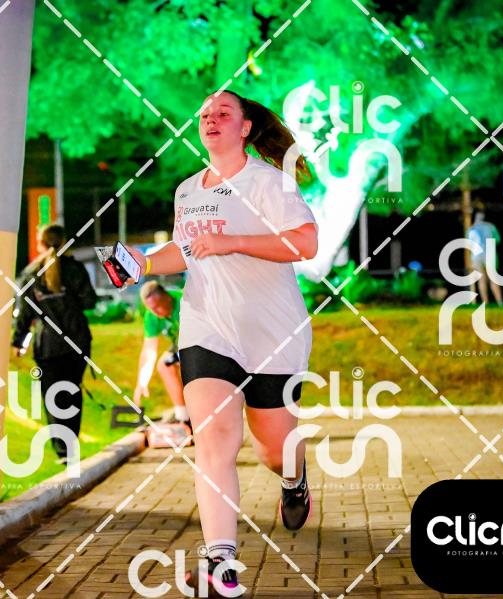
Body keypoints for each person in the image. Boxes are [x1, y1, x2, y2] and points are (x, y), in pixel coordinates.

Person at [127, 90, 317, 596]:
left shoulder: (268, 182)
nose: (210, 119)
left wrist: (233, 242)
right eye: (205, 114)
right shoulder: (187, 190)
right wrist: (143, 263)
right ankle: (221, 563)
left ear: (245, 128)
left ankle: (294, 477)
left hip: (272, 332)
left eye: (223, 113)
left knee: (273, 450)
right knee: (214, 440)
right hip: (207, 328)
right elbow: (187, 252)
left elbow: (305, 243)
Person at [12, 225, 98, 462]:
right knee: (72, 391)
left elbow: (24, 313)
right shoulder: (76, 270)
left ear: (40, 244)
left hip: (48, 345)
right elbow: (89, 301)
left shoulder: (30, 274)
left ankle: (62, 450)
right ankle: (71, 445)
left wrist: (18, 341)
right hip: (77, 341)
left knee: (52, 395)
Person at [134, 280, 189, 427]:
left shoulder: (184, 300)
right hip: (179, 346)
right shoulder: (151, 316)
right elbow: (149, 351)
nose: (156, 313)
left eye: (157, 307)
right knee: (164, 365)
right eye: (151, 309)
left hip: (199, 341)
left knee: (190, 364)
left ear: (166, 297)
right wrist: (142, 381)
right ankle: (183, 416)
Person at [467, 211, 503, 305]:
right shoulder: (490, 226)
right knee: (493, 278)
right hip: (489, 253)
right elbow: (498, 240)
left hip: (476, 255)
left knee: (482, 279)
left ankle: (485, 302)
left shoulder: (471, 228)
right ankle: (500, 302)